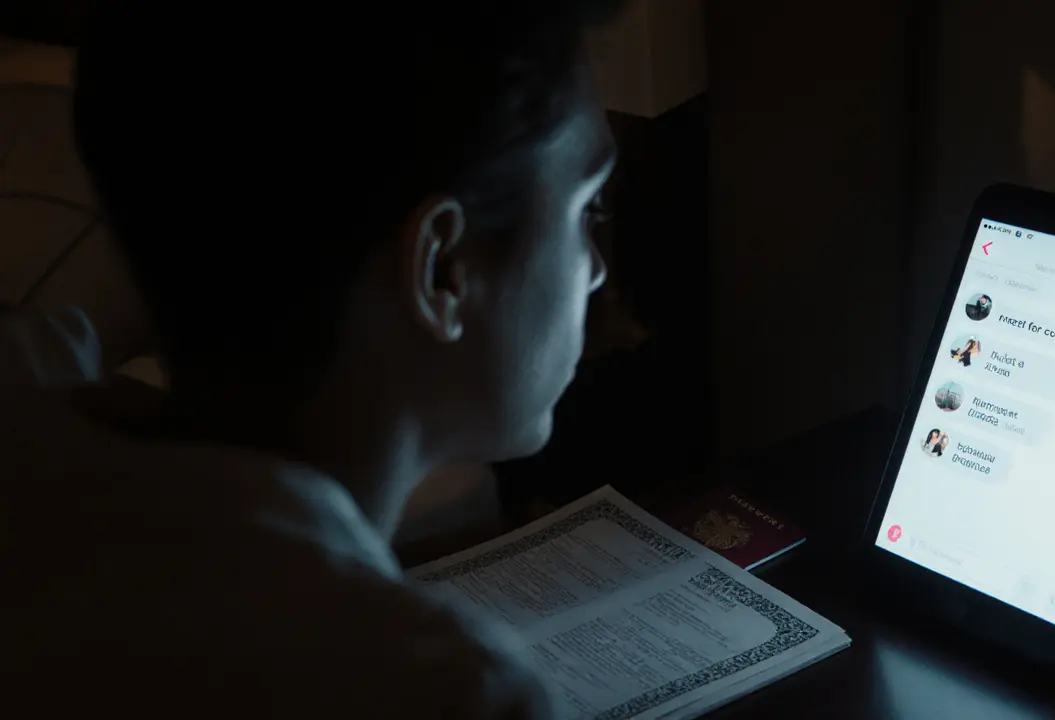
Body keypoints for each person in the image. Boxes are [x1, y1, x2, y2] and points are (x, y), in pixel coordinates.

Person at [1, 1, 624, 715]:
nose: (597, 269)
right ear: (442, 270)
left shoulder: (30, 425)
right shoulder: (433, 688)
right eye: (586, 208)